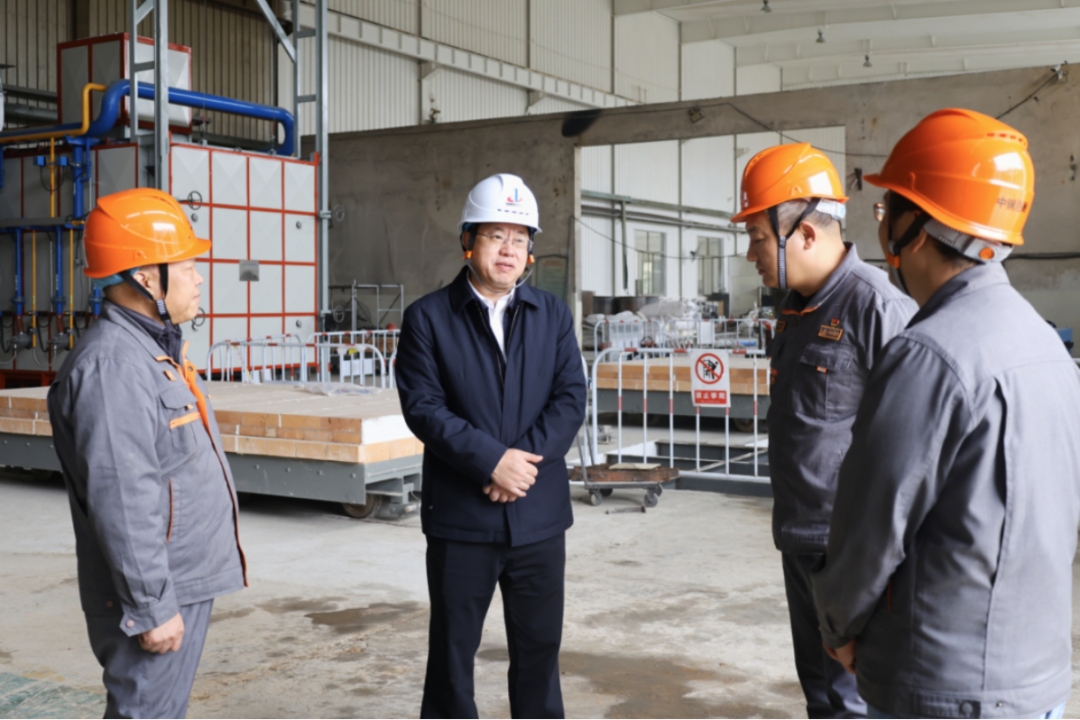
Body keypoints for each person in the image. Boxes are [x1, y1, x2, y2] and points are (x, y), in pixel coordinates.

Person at [810, 108, 1080, 720]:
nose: (882, 224)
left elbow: (871, 524)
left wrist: (837, 625)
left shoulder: (928, 355)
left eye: (888, 208)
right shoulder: (1047, 346)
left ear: (916, 226)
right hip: (1038, 682)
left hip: (944, 687)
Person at [47, 187, 247, 719]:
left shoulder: (150, 351)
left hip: (178, 579)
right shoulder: (113, 366)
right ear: (146, 278)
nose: (198, 278)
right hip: (156, 592)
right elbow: (122, 494)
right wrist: (153, 605)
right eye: (187, 266)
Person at [732, 143, 916, 718]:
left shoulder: (879, 310)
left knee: (855, 697)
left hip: (851, 549)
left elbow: (912, 452)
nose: (750, 254)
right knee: (821, 690)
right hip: (801, 536)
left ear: (805, 234)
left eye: (758, 238)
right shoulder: (795, 308)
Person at [395, 173, 586, 720]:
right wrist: (491, 462)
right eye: (496, 235)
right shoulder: (428, 318)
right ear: (467, 240)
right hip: (462, 519)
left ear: (530, 251)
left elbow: (570, 397)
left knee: (539, 652)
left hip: (538, 515)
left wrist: (519, 468)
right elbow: (424, 408)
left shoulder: (552, 315)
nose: (509, 249)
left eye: (520, 238)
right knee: (452, 656)